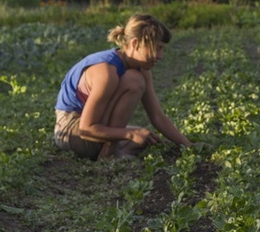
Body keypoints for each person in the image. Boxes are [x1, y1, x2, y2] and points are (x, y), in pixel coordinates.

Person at [54, 13, 192, 160]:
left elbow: (157, 116)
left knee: (147, 138)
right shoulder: (107, 72)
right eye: (156, 48)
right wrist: (129, 134)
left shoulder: (142, 69)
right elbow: (85, 129)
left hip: (90, 128)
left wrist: (189, 146)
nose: (160, 56)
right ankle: (109, 153)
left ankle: (120, 148)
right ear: (135, 43)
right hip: (71, 132)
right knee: (134, 81)